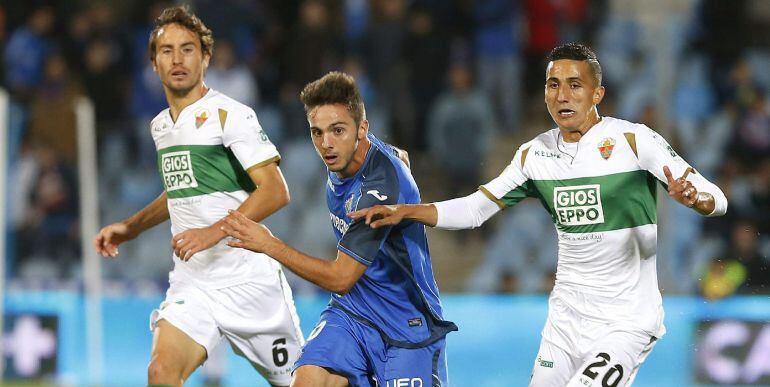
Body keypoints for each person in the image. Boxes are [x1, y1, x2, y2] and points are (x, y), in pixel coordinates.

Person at [349, 43, 728, 386]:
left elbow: (717, 198)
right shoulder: (535, 155)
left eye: (575, 85)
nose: (562, 95)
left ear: (598, 94)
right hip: (565, 323)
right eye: (552, 84)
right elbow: (475, 208)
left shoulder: (633, 140)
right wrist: (405, 211)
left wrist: (696, 199)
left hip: (625, 323)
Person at [92, 6, 303, 386]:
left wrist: (212, 232)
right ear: (153, 64)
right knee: (161, 372)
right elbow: (177, 192)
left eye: (187, 49)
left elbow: (276, 191)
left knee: (302, 383)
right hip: (194, 282)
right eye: (166, 50)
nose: (177, 59)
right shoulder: (160, 126)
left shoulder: (229, 115)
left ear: (206, 57)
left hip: (248, 281)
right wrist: (131, 227)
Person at [220, 71, 457, 387]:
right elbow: (395, 154)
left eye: (337, 131)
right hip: (353, 313)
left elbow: (341, 278)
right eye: (317, 132)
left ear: (362, 129)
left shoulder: (379, 190)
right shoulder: (352, 154)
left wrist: (268, 244)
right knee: (307, 381)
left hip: (406, 326)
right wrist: (397, 159)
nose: (326, 144)